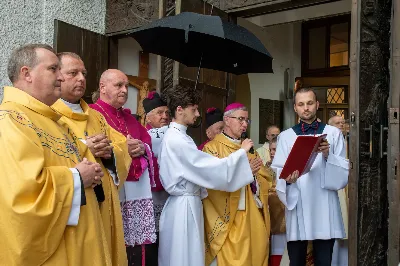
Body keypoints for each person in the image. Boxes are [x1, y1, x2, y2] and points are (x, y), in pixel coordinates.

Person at [0, 44, 111, 265]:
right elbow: (22, 195)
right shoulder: (12, 121)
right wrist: (77, 178)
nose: (61, 76)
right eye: (53, 69)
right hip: (56, 253)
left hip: (81, 244)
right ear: (26, 73)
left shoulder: (54, 121)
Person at [157, 85, 255, 266]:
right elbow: (210, 169)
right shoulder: (176, 139)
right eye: (193, 110)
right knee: (184, 258)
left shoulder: (181, 136)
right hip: (183, 207)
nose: (196, 115)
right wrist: (240, 154)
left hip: (187, 203)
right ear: (179, 110)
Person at [52, 52, 132, 266]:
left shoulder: (96, 116)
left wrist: (110, 153)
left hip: (104, 201)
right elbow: (51, 156)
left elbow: (120, 145)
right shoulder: (51, 115)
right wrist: (84, 147)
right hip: (79, 206)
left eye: (84, 73)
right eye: (73, 73)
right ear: (57, 75)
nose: (81, 78)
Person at [271, 87, 348, 266]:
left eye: (310, 103)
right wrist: (288, 181)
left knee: (324, 260)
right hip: (298, 202)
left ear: (317, 105)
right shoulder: (286, 137)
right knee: (296, 260)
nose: (306, 108)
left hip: (324, 203)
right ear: (296, 108)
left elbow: (342, 171)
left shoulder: (333, 133)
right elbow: (280, 171)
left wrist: (329, 155)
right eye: (301, 104)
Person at [90, 69, 158, 266]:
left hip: (135, 191)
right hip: (112, 189)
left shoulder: (131, 119)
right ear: (102, 87)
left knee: (137, 250)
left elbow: (147, 143)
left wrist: (141, 147)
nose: (125, 90)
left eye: (126, 85)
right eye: (119, 85)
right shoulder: (92, 114)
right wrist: (122, 149)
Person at [202, 102, 272, 266]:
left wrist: (255, 177)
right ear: (227, 120)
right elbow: (213, 185)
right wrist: (245, 172)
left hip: (253, 213)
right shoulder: (212, 149)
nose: (244, 124)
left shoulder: (249, 148)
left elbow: (264, 178)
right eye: (240, 119)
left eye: (247, 120)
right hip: (231, 218)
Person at [142, 90, 170, 258]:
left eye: (167, 112)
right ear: (148, 117)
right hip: (150, 197)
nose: (164, 116)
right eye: (159, 113)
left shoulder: (174, 134)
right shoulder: (142, 135)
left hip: (169, 197)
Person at [328, 115, 349, 266]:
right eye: (337, 123)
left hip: (349, 189)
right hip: (335, 188)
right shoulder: (327, 142)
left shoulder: (352, 141)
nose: (341, 125)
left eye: (343, 122)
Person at [266, 137, 287, 266]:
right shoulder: (264, 169)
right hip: (271, 221)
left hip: (286, 219)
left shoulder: (289, 169)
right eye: (270, 150)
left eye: (275, 149)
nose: (272, 153)